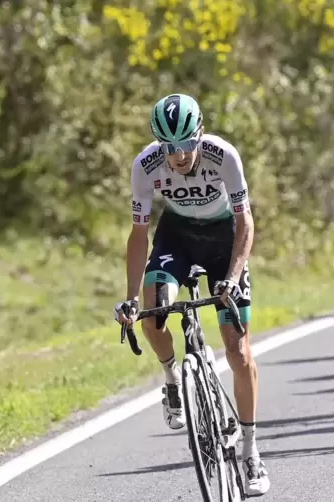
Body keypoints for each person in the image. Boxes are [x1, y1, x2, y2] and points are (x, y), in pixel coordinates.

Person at [113, 94, 270, 497]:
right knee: (153, 314)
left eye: (186, 145)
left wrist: (233, 278)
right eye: (170, 148)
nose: (179, 156)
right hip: (177, 238)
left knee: (238, 352)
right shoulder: (145, 165)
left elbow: (245, 222)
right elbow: (139, 234)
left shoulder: (224, 156)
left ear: (199, 133)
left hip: (223, 242)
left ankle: (251, 451)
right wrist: (131, 296)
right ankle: (171, 378)